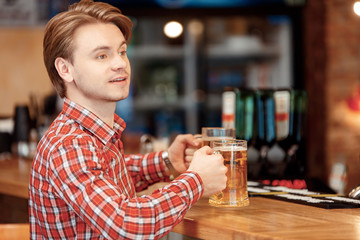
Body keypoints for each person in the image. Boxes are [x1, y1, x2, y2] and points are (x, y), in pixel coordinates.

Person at [28, 0, 227, 239]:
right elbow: (127, 224)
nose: (120, 63)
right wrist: (197, 181)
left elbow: (104, 177)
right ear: (65, 69)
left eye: (122, 52)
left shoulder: (89, 136)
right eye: (101, 56)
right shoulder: (70, 145)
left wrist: (167, 162)